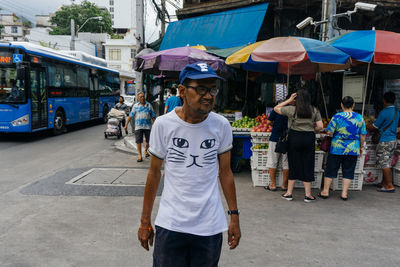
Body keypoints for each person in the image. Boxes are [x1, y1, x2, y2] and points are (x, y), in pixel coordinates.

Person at [138, 62, 241, 266]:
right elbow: (154, 174)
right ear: (182, 91)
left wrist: (234, 217)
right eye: (201, 88)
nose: (209, 95)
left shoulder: (221, 125)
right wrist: (144, 221)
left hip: (209, 226)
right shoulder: (163, 125)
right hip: (171, 224)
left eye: (213, 89)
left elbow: (226, 172)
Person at [274, 90, 323, 203]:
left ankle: (289, 193)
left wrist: (289, 100)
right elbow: (320, 126)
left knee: (294, 163)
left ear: (297, 99)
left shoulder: (292, 109)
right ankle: (308, 195)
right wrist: (312, 130)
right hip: (309, 138)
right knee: (308, 164)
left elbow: (276, 108)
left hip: (294, 138)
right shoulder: (314, 110)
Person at [319, 96, 367, 200]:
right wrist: (361, 147)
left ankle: (325, 191)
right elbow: (363, 135)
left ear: (341, 105)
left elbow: (329, 131)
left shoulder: (337, 116)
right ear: (353, 105)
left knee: (331, 169)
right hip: (353, 148)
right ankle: (344, 194)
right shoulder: (359, 117)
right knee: (349, 170)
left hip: (337, 148)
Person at [366, 91, 400, 193]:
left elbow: (375, 126)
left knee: (384, 163)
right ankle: (384, 183)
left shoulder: (384, 112)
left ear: (384, 100)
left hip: (385, 140)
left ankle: (389, 185)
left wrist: (364, 125)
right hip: (393, 140)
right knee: (388, 162)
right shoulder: (396, 111)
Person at [125, 92, 156, 162]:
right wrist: (126, 125)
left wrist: (156, 125)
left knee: (149, 141)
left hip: (147, 126)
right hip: (138, 127)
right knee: (138, 141)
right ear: (138, 99)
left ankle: (146, 150)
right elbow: (130, 116)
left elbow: (153, 116)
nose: (142, 98)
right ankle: (140, 155)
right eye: (141, 97)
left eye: (143, 96)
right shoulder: (135, 106)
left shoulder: (149, 105)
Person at [264, 102, 289, 191]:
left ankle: (273, 185)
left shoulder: (276, 109)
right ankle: (284, 185)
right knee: (286, 163)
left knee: (272, 161)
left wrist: (275, 125)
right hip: (288, 139)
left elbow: (268, 122)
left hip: (275, 138)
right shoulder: (292, 110)